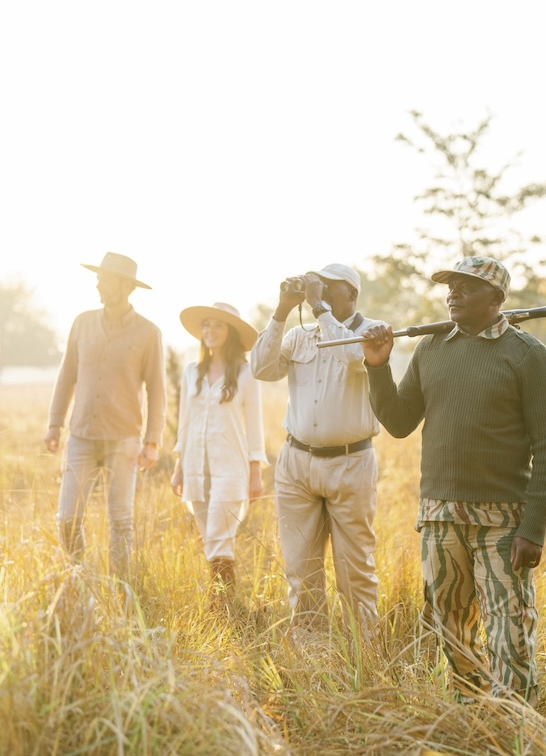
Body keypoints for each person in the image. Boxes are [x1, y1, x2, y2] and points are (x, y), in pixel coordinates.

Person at [361, 256, 546, 703]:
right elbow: (397, 422)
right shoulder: (431, 350)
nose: (453, 293)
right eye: (450, 286)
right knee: (451, 631)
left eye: (466, 287)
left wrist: (533, 529)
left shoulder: (528, 355)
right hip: (439, 516)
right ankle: (470, 722)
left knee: (509, 630)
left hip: (502, 522)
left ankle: (518, 733)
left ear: (496, 299)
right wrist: (377, 366)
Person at [250, 263, 382, 633]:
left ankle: (364, 649)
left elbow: (356, 359)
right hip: (296, 462)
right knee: (300, 566)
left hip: (350, 462)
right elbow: (260, 368)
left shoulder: (370, 331)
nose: (319, 294)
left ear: (352, 295)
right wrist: (281, 309)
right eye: (317, 287)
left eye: (328, 289)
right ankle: (312, 651)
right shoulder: (298, 336)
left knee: (354, 568)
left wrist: (320, 310)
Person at [44, 252, 166, 577]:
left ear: (125, 285)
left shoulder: (149, 333)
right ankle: (77, 579)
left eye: (105, 278)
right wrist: (54, 422)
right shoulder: (82, 323)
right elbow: (66, 375)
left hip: (123, 440)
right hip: (80, 436)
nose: (98, 282)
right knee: (67, 518)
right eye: (98, 277)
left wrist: (152, 441)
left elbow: (157, 390)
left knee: (120, 520)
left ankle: (120, 588)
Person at [170, 302, 267, 601]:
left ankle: (222, 605)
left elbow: (254, 426)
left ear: (231, 333)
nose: (210, 331)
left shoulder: (246, 374)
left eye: (218, 326)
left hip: (231, 468)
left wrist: (255, 473)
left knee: (219, 537)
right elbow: (184, 423)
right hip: (196, 467)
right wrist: (178, 466)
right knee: (209, 538)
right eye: (207, 325)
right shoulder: (191, 373)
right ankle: (224, 602)